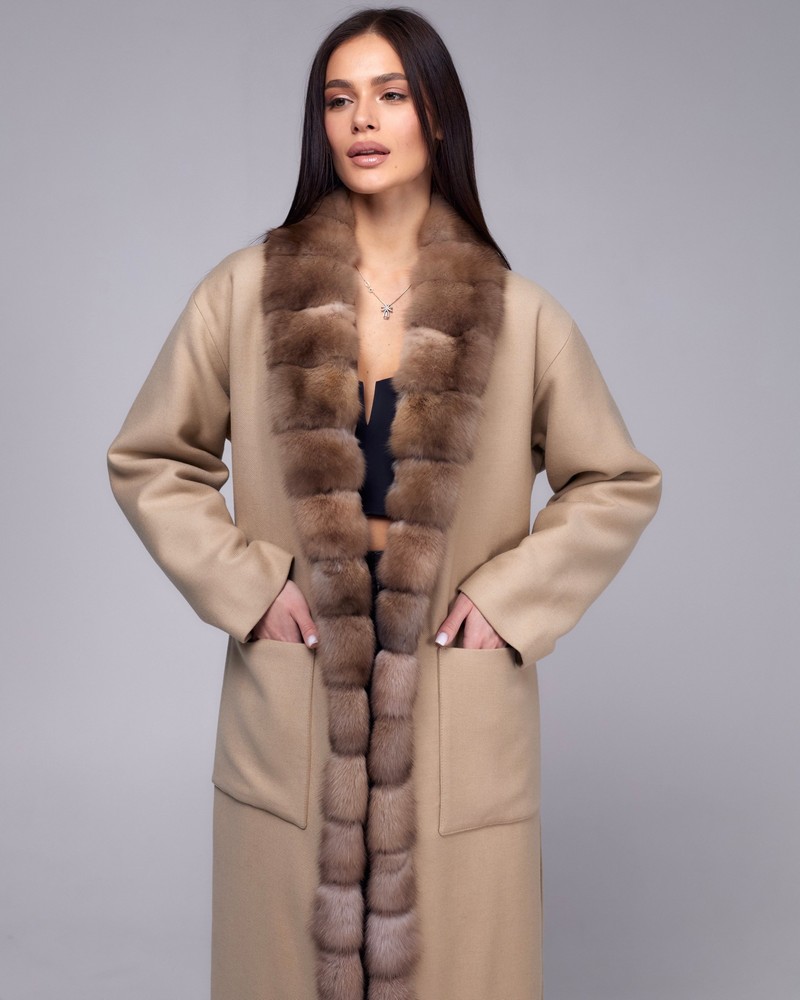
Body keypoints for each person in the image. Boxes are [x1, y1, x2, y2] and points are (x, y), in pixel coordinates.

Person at [107, 7, 662, 999]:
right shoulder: (243, 294)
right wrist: (250, 588)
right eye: (338, 99)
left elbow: (614, 480)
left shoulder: (520, 315)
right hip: (294, 699)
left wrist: (507, 602)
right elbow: (151, 456)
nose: (361, 120)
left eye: (390, 94)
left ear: (435, 115)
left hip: (452, 712)